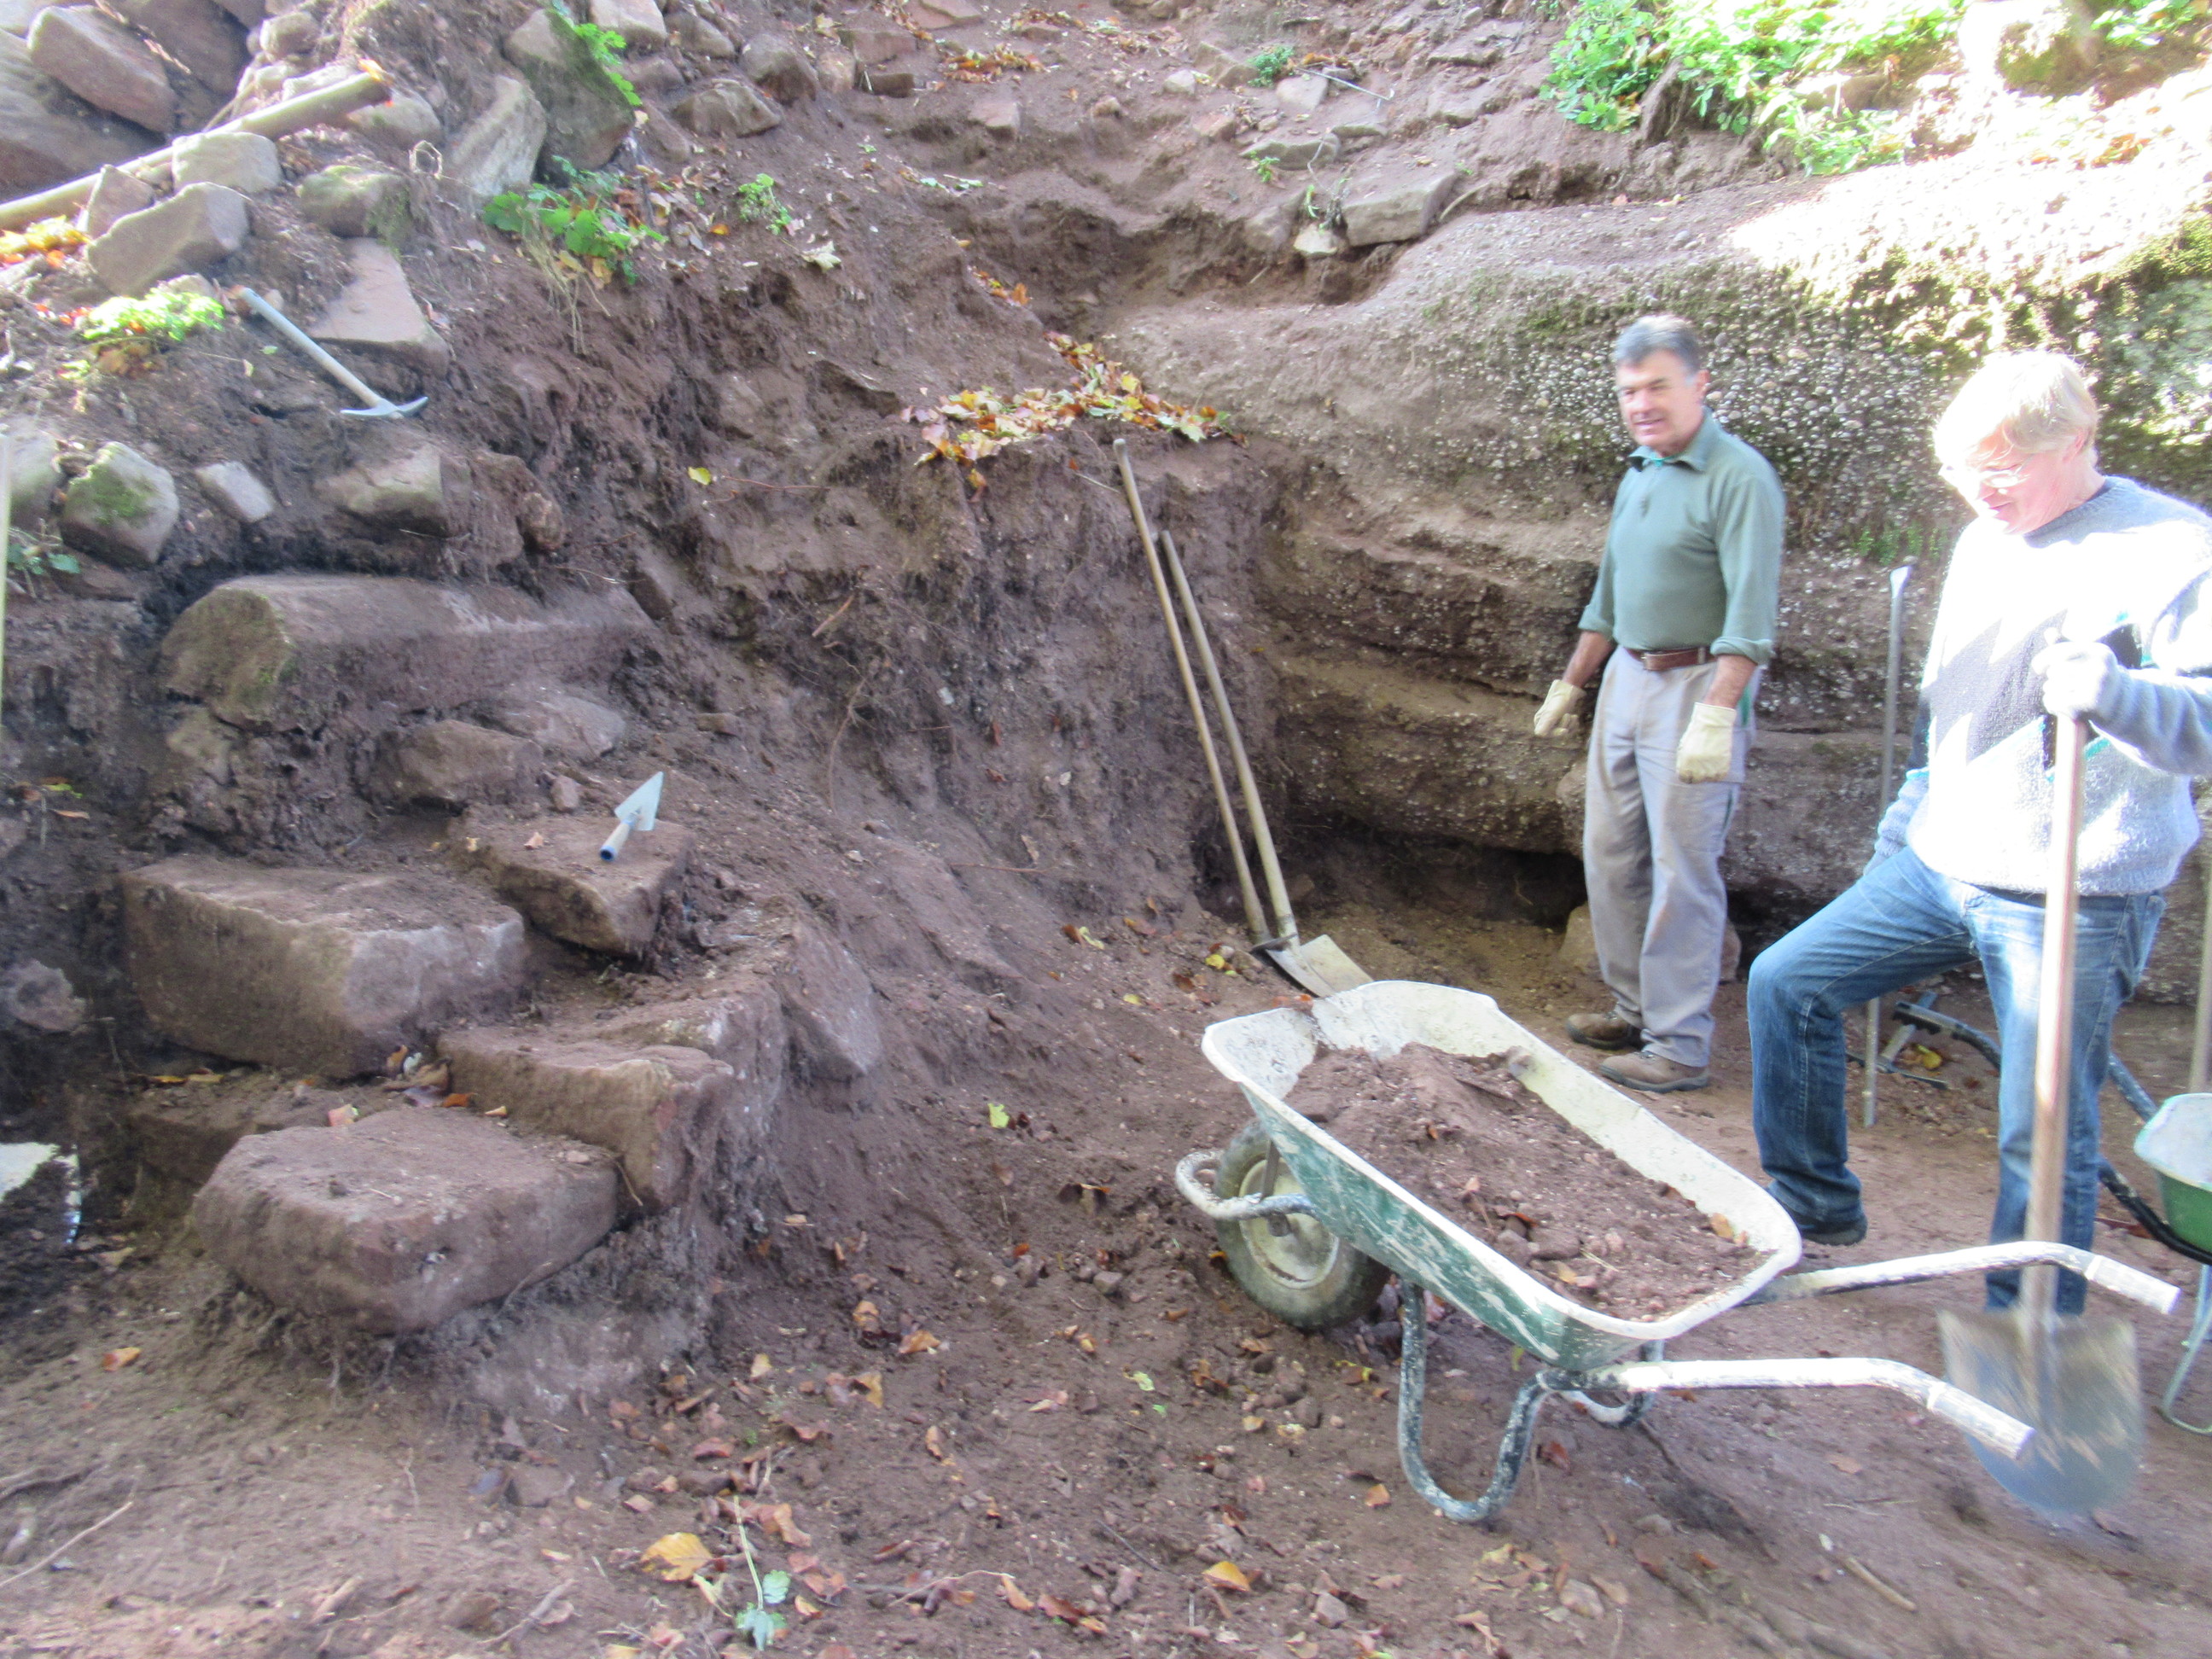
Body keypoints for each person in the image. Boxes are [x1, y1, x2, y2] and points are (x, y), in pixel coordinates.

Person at [1747, 352, 2212, 1313]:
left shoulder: (2173, 550)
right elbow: (1952, 712)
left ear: (2076, 440)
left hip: (2078, 888)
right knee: (1787, 982)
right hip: (1943, 859)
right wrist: (1904, 825)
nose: (1976, 492)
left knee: (2042, 1127)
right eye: (1959, 471)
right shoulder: (1982, 541)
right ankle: (1813, 1207)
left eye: (1999, 470)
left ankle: (2028, 1323)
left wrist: (2122, 695)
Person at [1534, 315, 1785, 1093]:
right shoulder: (1640, 471)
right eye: (1628, 391)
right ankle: (1635, 1009)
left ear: (1699, 384)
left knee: (1683, 868)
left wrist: (1717, 714)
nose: (1641, 404)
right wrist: (1572, 683)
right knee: (1611, 852)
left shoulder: (1739, 478)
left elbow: (1751, 617)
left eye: (1657, 387)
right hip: (1627, 678)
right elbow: (1608, 597)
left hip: (1696, 683)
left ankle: (1678, 1044)